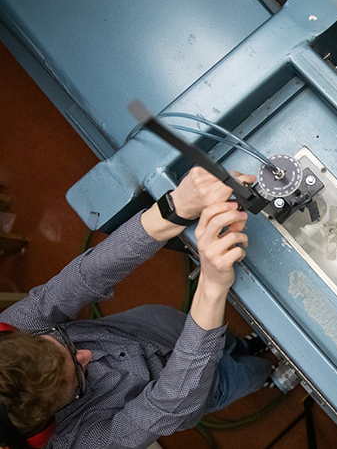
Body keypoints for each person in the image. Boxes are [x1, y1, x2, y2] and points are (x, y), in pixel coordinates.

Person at [0, 167, 273, 449]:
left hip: (158, 327)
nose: (87, 354)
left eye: (63, 343)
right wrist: (212, 286)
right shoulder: (77, 443)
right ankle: (271, 372)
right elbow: (169, 402)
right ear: (45, 425)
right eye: (76, 378)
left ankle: (242, 344)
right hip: (200, 388)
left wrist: (173, 209)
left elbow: (86, 276)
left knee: (229, 342)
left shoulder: (15, 329)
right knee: (254, 372)